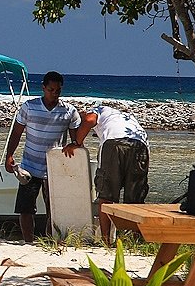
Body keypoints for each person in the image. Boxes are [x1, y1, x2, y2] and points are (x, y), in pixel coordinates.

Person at [5, 71, 80, 242]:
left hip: (55, 168)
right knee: (26, 209)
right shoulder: (29, 107)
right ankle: (28, 241)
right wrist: (9, 155)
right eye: (51, 90)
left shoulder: (69, 111)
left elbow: (76, 139)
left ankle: (50, 241)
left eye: (58, 91)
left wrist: (74, 146)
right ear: (43, 88)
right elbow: (16, 133)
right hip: (29, 166)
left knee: (53, 209)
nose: (54, 93)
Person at [63, 103, 149, 245]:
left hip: (114, 144)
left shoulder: (98, 110)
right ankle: (134, 242)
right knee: (136, 199)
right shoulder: (126, 118)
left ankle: (105, 241)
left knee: (106, 196)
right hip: (140, 145)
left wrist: (76, 142)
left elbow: (89, 120)